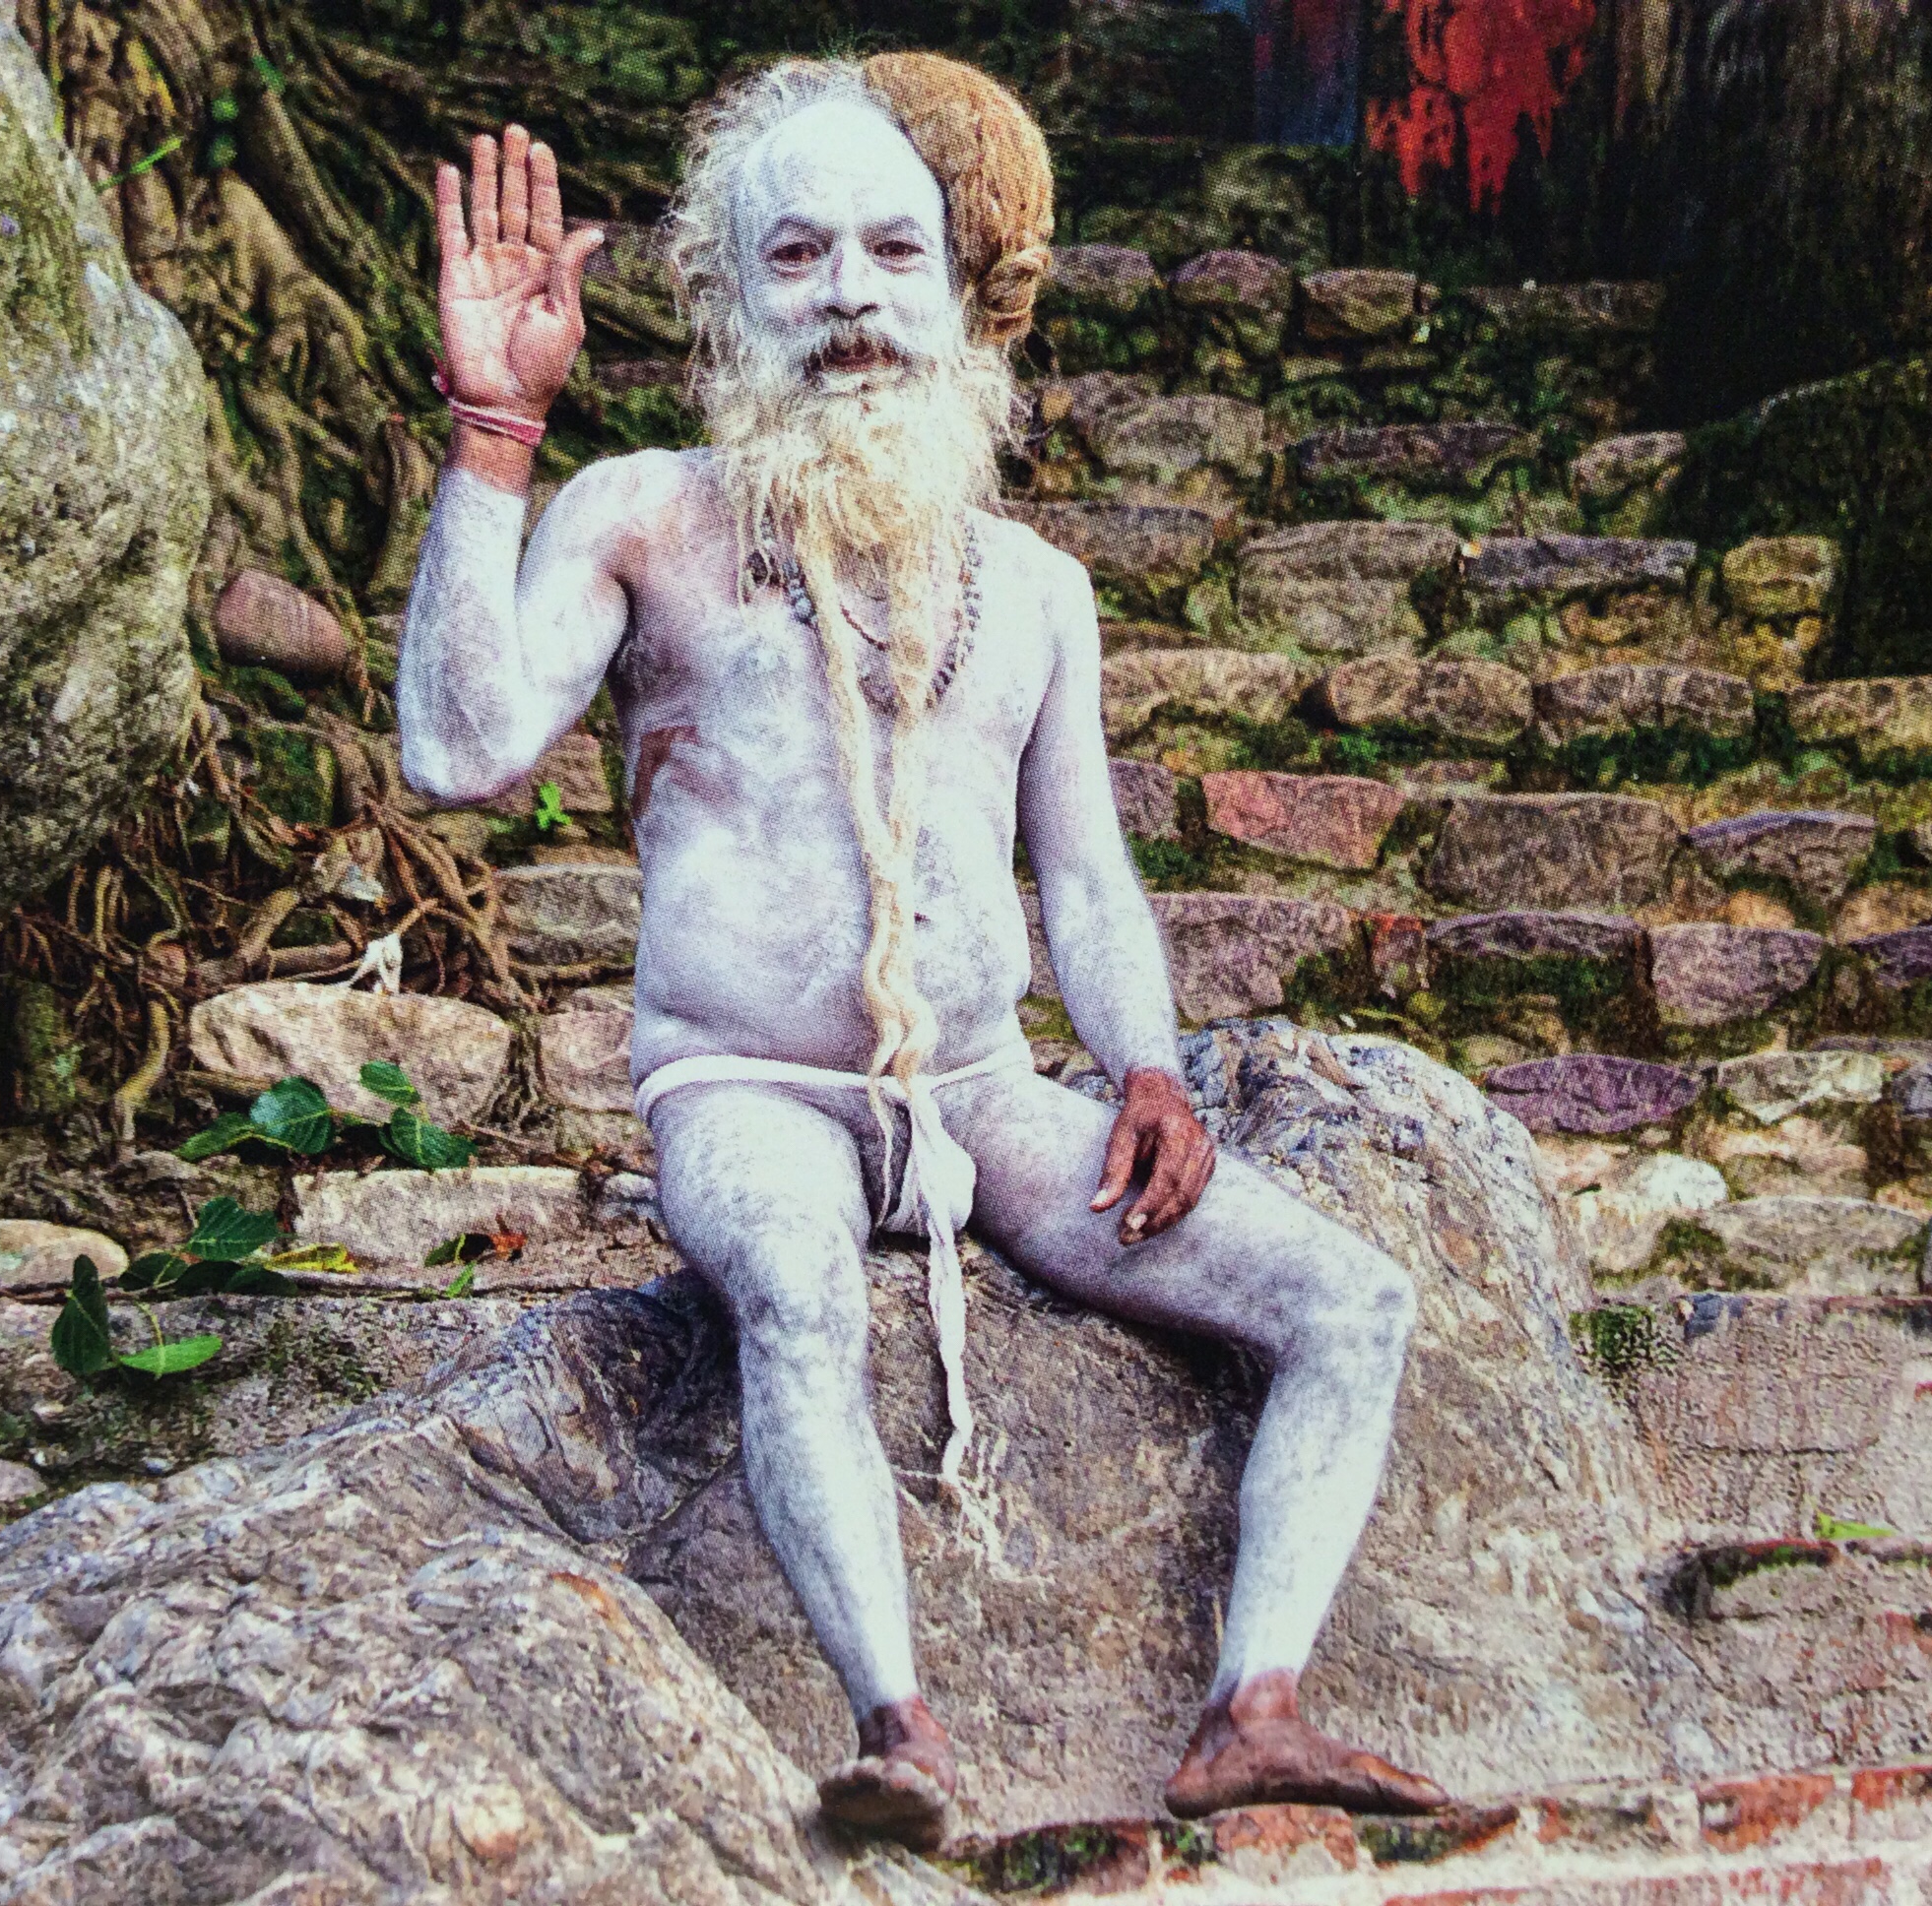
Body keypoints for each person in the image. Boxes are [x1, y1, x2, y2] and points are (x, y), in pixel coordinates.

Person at [397, 53, 1446, 1851]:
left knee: (1352, 1302)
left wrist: (1146, 1069)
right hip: (745, 1089)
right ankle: (901, 1730)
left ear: (964, 293)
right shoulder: (644, 517)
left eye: (894, 252)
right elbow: (454, 751)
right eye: (795, 256)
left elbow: (1086, 879)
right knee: (797, 1288)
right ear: (724, 299)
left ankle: (1252, 1710)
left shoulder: (1035, 589)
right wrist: (496, 435)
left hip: (983, 1099)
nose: (852, 301)